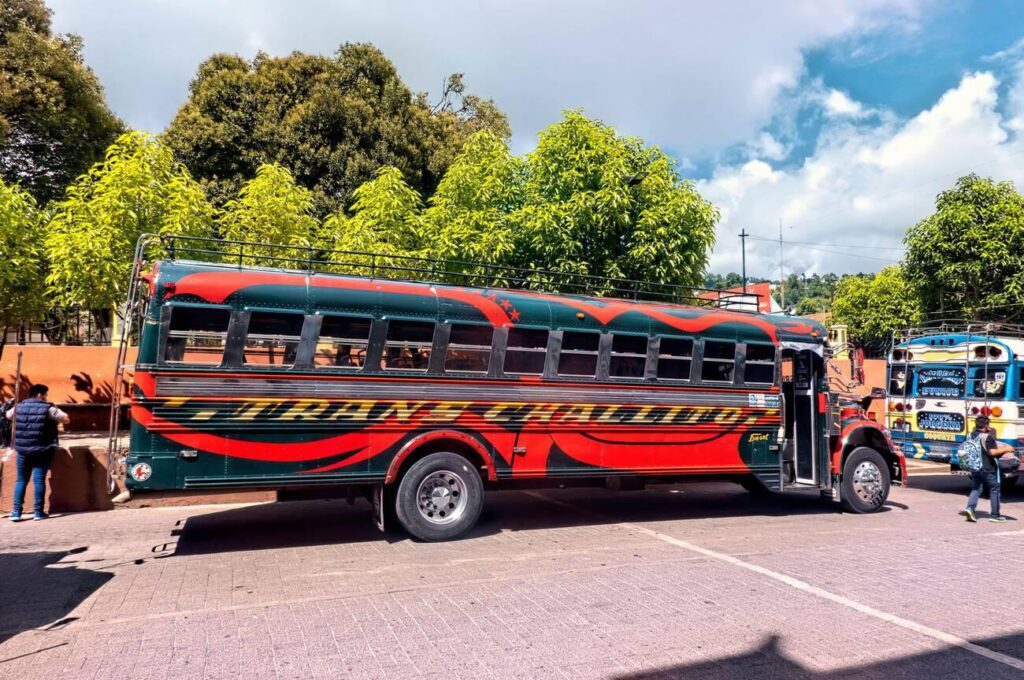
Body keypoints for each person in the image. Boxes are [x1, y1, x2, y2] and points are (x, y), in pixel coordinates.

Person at [4, 384, 70, 521]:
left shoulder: (18, 407)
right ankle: (38, 512)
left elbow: (8, 415)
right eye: (46, 395)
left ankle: (16, 512)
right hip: (42, 450)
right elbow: (65, 418)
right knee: (39, 480)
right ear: (40, 395)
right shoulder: (49, 408)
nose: (46, 398)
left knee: (21, 480)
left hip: (22, 450)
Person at [961, 415, 1014, 523]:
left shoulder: (968, 436)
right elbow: (993, 452)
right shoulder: (987, 437)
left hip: (974, 467)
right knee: (994, 490)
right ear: (986, 425)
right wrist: (1006, 449)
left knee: (976, 489)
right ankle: (995, 515)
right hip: (988, 468)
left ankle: (970, 508)